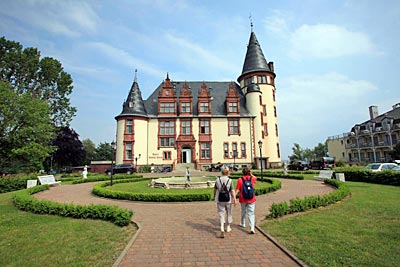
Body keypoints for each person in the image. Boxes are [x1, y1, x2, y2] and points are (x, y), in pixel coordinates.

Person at [213, 168, 236, 238]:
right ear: (228, 173)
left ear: (221, 173)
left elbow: (215, 190)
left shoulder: (217, 180)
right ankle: (228, 227)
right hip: (228, 199)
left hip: (220, 199)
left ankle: (222, 227)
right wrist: (234, 198)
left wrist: (215, 197)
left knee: (221, 213)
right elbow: (232, 190)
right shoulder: (230, 180)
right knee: (229, 212)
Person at [235, 167, 257, 234]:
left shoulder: (240, 179)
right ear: (249, 172)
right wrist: (251, 174)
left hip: (243, 198)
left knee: (243, 211)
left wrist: (234, 197)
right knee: (251, 213)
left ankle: (243, 223)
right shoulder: (252, 178)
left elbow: (237, 189)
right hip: (251, 198)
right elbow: (255, 178)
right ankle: (252, 228)